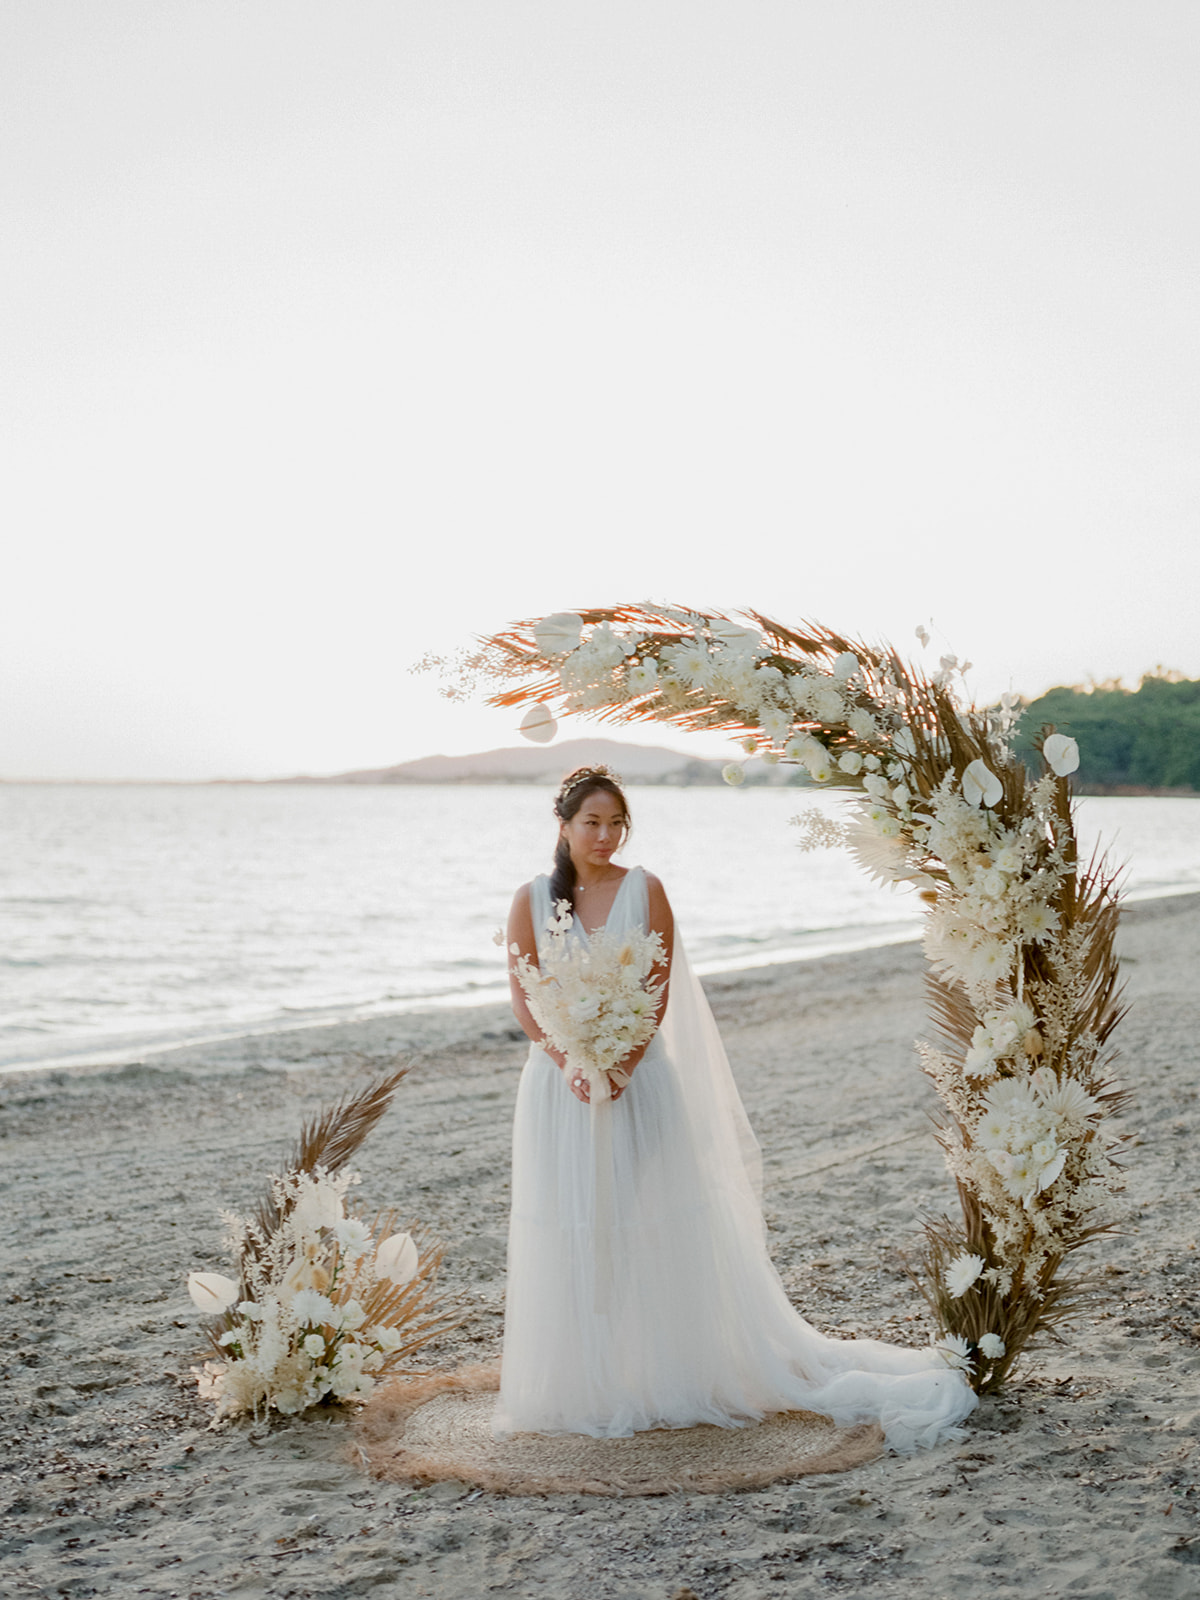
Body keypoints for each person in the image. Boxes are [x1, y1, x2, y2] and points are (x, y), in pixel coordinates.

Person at [492, 765, 977, 1452]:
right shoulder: (532, 899)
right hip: (557, 1084)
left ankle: (660, 1372)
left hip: (638, 1078)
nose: (604, 835)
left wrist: (623, 1061)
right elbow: (524, 994)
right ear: (563, 825)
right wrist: (568, 1058)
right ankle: (582, 1380)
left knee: (644, 1222)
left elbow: (656, 989)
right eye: (590, 822)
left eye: (614, 823)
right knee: (565, 1224)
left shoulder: (644, 889)